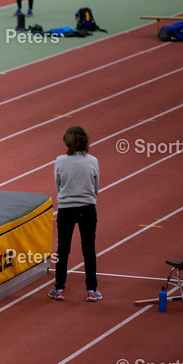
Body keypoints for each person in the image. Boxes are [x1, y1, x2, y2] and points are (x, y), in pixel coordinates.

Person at [50, 126, 100, 302]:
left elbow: (58, 185)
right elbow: (96, 188)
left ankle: (59, 288)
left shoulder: (60, 161)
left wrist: (67, 199)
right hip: (87, 208)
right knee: (89, 249)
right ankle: (92, 290)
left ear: (67, 141)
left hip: (66, 208)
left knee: (63, 249)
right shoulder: (93, 160)